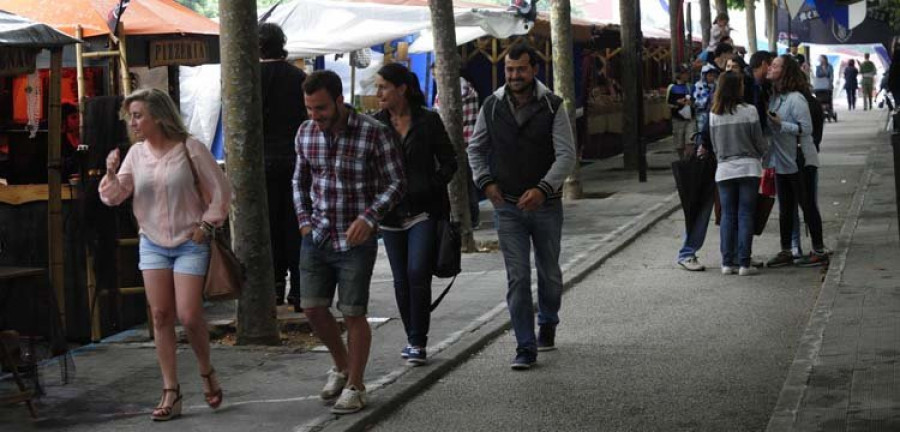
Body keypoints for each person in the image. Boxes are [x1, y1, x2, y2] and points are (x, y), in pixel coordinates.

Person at [99, 88, 230, 421]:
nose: (134, 122)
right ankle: (171, 389)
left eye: (139, 115)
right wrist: (112, 174)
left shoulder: (191, 148)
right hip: (152, 242)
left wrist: (206, 224)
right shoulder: (135, 155)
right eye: (131, 116)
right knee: (159, 315)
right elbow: (115, 197)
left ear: (159, 115)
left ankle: (206, 371)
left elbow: (222, 190)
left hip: (190, 240)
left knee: (188, 315)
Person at [293, 70, 405, 414]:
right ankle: (341, 366)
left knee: (354, 312)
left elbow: (396, 183)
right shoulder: (305, 132)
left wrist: (369, 218)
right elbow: (299, 180)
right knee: (312, 307)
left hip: (357, 238)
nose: (315, 116)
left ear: (340, 101)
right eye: (310, 108)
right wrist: (304, 220)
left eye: (321, 108)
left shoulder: (374, 133)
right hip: (318, 233)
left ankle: (356, 385)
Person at [468, 44, 576, 369]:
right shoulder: (491, 106)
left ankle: (549, 320)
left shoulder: (553, 106)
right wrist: (486, 182)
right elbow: (475, 149)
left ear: (534, 70)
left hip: (546, 207)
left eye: (521, 70)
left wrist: (544, 189)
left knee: (550, 274)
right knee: (517, 276)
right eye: (510, 70)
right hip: (508, 208)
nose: (515, 76)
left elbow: (566, 155)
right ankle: (524, 346)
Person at [373, 63, 457, 366]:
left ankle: (418, 342)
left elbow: (450, 160)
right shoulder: (374, 124)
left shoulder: (428, 121)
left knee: (417, 273)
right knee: (400, 280)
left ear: (401, 89)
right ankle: (412, 336)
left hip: (424, 211)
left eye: (383, 86)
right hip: (390, 214)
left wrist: (431, 185)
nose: (378, 92)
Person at [258, 22, 307, 310]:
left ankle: (274, 288)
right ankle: (300, 290)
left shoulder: (248, 79)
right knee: (295, 224)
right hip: (295, 160)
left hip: (262, 163)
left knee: (269, 229)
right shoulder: (299, 78)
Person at [765, 55, 829, 268]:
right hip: (782, 162)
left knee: (807, 205)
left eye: (775, 65)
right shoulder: (775, 97)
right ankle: (787, 250)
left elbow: (806, 129)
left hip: (801, 161)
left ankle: (819, 249)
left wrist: (782, 124)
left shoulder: (796, 98)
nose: (770, 67)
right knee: (785, 209)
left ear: (786, 71)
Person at [709, 71, 768, 276]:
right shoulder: (750, 111)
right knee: (745, 214)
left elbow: (715, 145)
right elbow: (759, 141)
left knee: (727, 215)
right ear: (737, 88)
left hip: (724, 169)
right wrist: (762, 153)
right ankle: (744, 263)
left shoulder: (714, 115)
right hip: (749, 167)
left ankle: (727, 262)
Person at [433, 64, 481, 228]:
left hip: (460, 142)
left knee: (463, 182)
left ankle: (470, 219)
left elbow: (442, 116)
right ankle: (473, 217)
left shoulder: (453, 88)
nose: (434, 78)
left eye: (435, 74)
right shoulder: (468, 86)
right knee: (467, 182)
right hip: (469, 142)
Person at [668, 66, 695, 160]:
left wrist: (692, 104)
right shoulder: (672, 88)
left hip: (690, 118)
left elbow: (695, 101)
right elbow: (669, 103)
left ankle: (688, 160)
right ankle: (682, 159)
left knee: (690, 140)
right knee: (679, 143)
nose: (686, 75)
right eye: (684, 73)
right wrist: (678, 103)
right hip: (677, 118)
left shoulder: (691, 87)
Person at [61, 102, 82, 180]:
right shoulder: (60, 141)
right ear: (64, 121)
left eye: (79, 117)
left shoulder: (86, 138)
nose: (79, 120)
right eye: (74, 117)